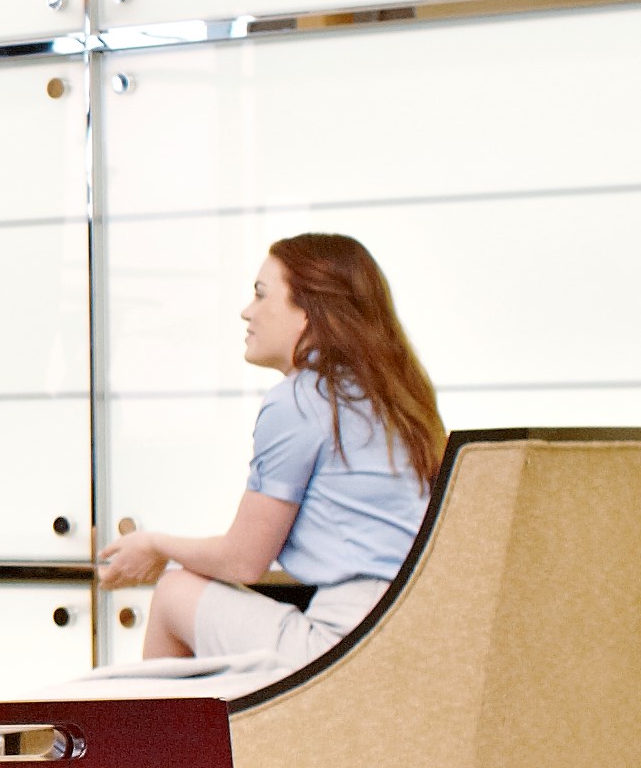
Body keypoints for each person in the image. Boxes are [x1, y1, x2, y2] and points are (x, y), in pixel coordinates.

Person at [99, 231, 442, 669]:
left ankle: (149, 742)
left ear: (309, 312)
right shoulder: (395, 400)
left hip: (345, 646)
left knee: (174, 592)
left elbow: (243, 561)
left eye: (261, 296)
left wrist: (154, 544)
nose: (247, 312)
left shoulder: (301, 400)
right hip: (408, 635)